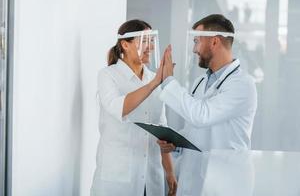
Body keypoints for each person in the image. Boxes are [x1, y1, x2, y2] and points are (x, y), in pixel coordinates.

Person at [158, 14, 257, 195]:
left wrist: (169, 80)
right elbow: (195, 129)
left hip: (225, 181)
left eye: (197, 41)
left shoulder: (242, 84)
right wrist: (176, 141)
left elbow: (202, 116)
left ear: (214, 42)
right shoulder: (200, 81)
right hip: (195, 178)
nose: (194, 49)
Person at [90, 19, 177, 196]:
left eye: (152, 41)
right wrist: (154, 83)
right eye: (144, 41)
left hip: (151, 180)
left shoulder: (154, 79)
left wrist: (170, 172)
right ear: (125, 45)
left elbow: (161, 129)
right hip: (118, 180)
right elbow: (119, 108)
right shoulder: (108, 75)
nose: (150, 46)